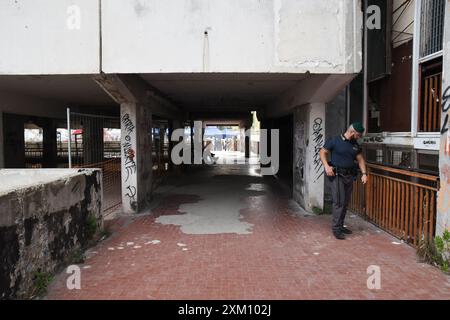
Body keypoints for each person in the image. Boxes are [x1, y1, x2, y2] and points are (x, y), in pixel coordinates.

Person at [319, 122, 368, 240]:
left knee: (345, 203)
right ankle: (336, 229)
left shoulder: (355, 145)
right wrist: (326, 166)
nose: (359, 137)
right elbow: (322, 152)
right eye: (359, 135)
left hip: (349, 176)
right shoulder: (335, 140)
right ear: (352, 132)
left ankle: (340, 226)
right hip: (337, 176)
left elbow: (360, 159)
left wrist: (364, 174)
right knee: (339, 202)